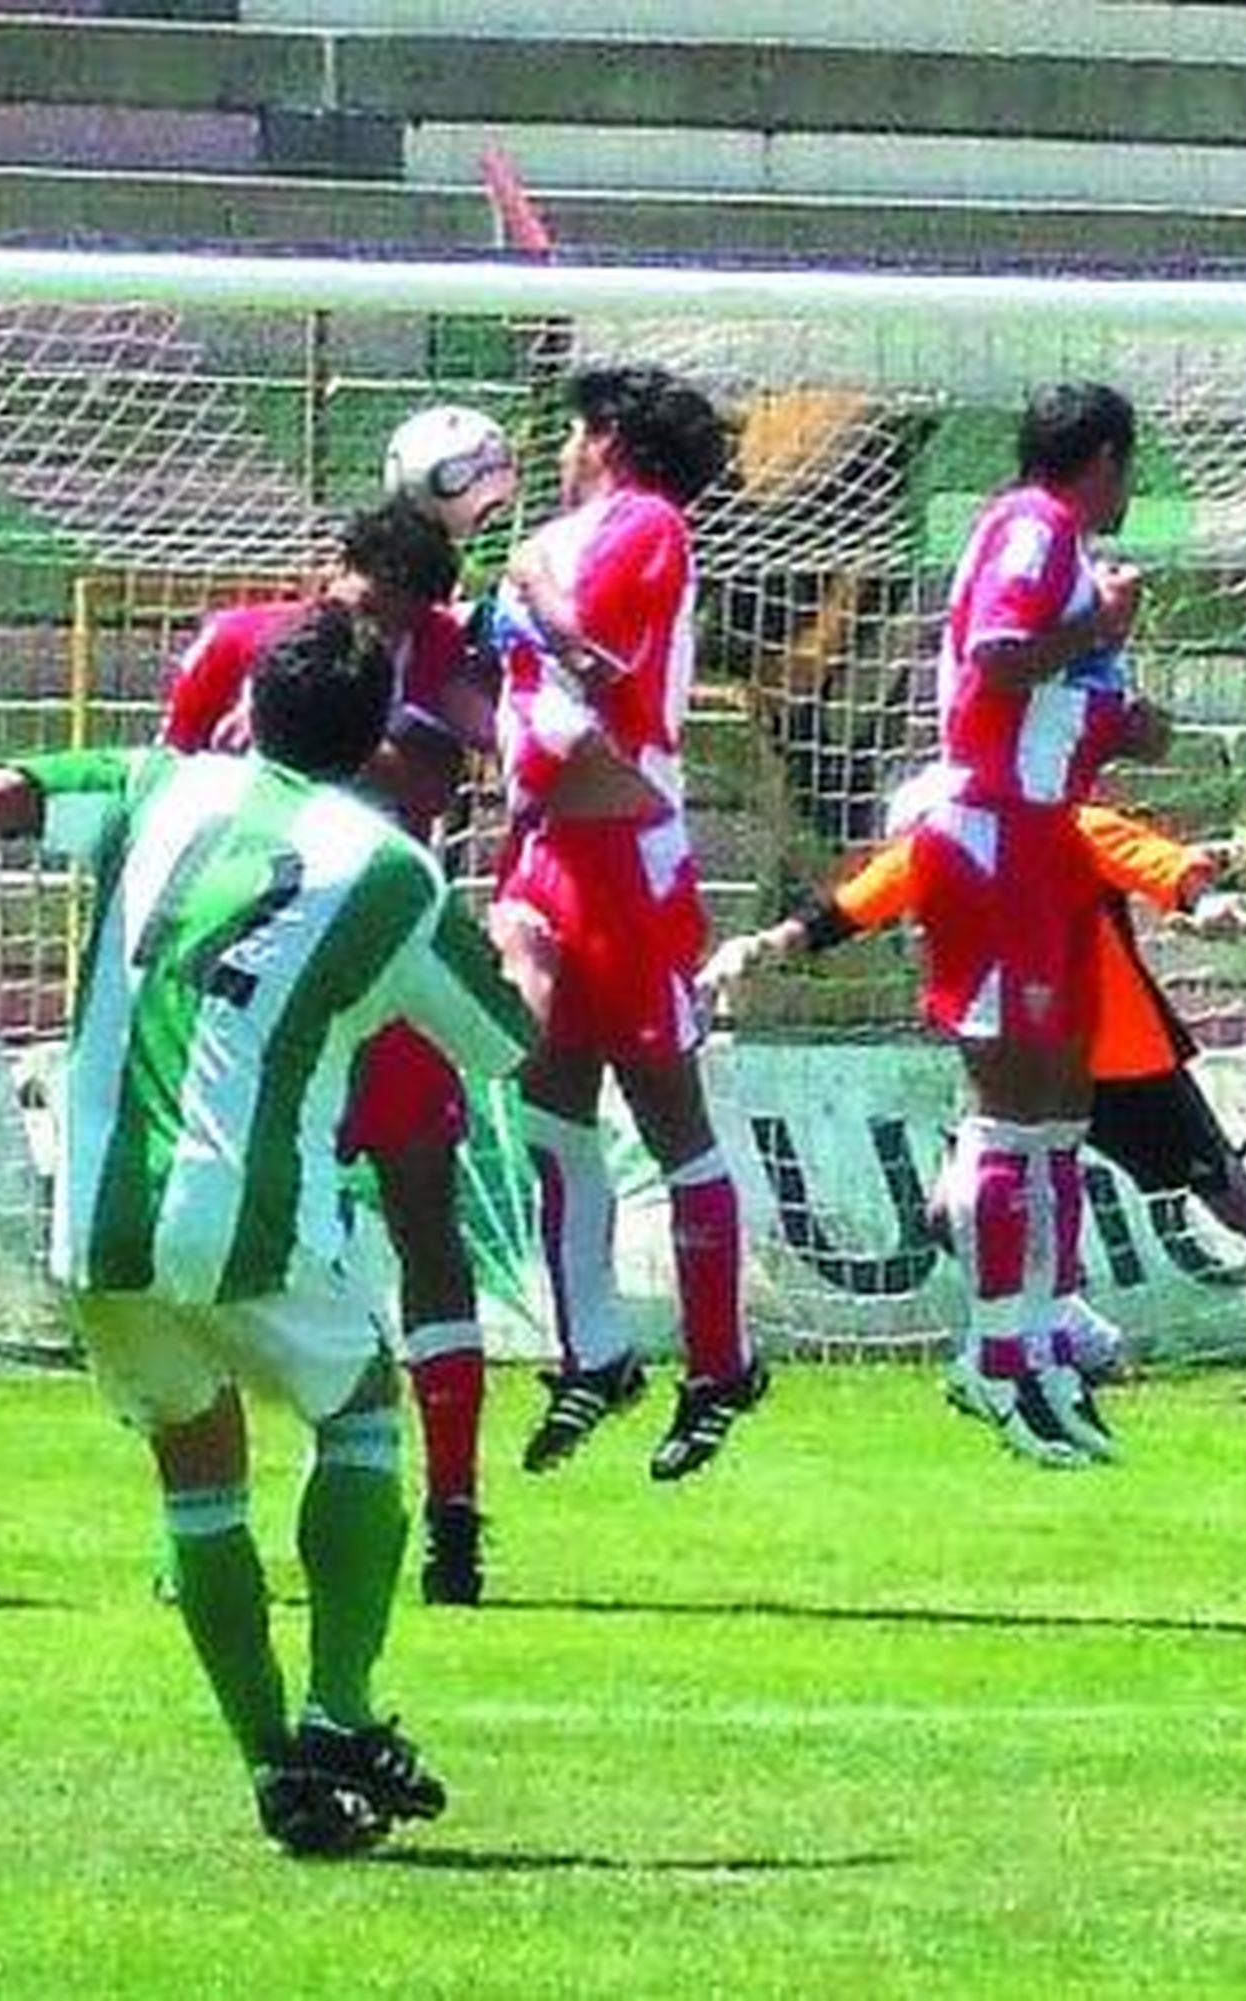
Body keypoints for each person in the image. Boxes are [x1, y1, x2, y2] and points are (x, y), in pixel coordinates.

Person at [0, 606, 539, 1857]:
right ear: (375, 743)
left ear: (248, 712)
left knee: (197, 1464)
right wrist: (525, 950)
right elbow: (505, 1044)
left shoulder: (155, 785)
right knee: (360, 1415)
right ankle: (336, 1714)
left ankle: (275, 1768)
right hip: (247, 1214)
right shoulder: (393, 873)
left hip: (92, 1219)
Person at [702, 801, 1246, 1445]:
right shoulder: (938, 845)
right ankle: (1077, 1335)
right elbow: (842, 913)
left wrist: (1205, 903)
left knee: (1238, 1201)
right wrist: (758, 947)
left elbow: (1161, 866)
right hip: (1017, 1056)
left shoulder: (1076, 825)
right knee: (950, 1213)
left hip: (1123, 1061)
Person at [162, 502, 498, 1605]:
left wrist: (332, 728)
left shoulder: (443, 658)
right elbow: (169, 796)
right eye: (368, 605)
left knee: (426, 1218)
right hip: (258, 989)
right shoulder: (237, 644)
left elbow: (434, 786)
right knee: (212, 1248)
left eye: (402, 617)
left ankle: (454, 1510)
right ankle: (206, 1524)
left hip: (379, 969)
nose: (382, 629)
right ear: (330, 570)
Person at [490, 363, 766, 1482]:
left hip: (623, 860)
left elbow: (593, 656)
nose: (560, 454)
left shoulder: (646, 525)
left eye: (571, 434)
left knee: (667, 1113)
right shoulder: (567, 535)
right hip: (547, 844)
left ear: (606, 438)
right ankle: (594, 1354)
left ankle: (721, 1364)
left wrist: (525, 582)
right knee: (552, 1109)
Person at [902, 381, 1171, 1466]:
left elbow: (1042, 701)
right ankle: (995, 1355)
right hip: (993, 841)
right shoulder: (1033, 527)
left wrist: (1123, 721)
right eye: (1128, 465)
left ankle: (1048, 1342)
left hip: (1042, 839)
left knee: (1059, 1108)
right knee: (1012, 1113)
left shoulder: (1059, 542)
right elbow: (996, 656)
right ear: (1103, 459)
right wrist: (1096, 623)